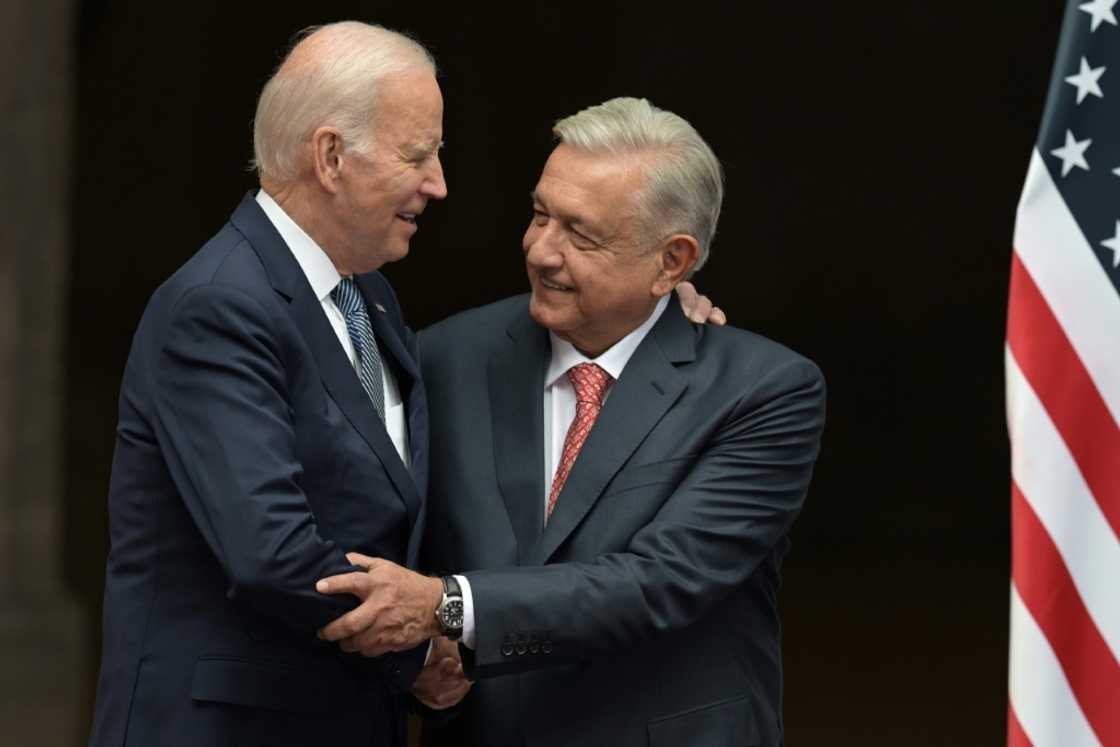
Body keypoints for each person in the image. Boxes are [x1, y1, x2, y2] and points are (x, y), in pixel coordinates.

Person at [316, 97, 826, 747]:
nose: (540, 251)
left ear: (672, 261)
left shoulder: (761, 389)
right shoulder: (445, 359)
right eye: (538, 215)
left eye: (580, 235)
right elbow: (382, 529)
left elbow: (657, 582)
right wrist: (416, 665)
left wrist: (444, 603)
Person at [88, 22, 447, 746]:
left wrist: (658, 319)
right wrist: (421, 645)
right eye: (419, 155)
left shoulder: (370, 296)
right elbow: (271, 550)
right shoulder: (218, 305)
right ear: (331, 157)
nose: (439, 183)